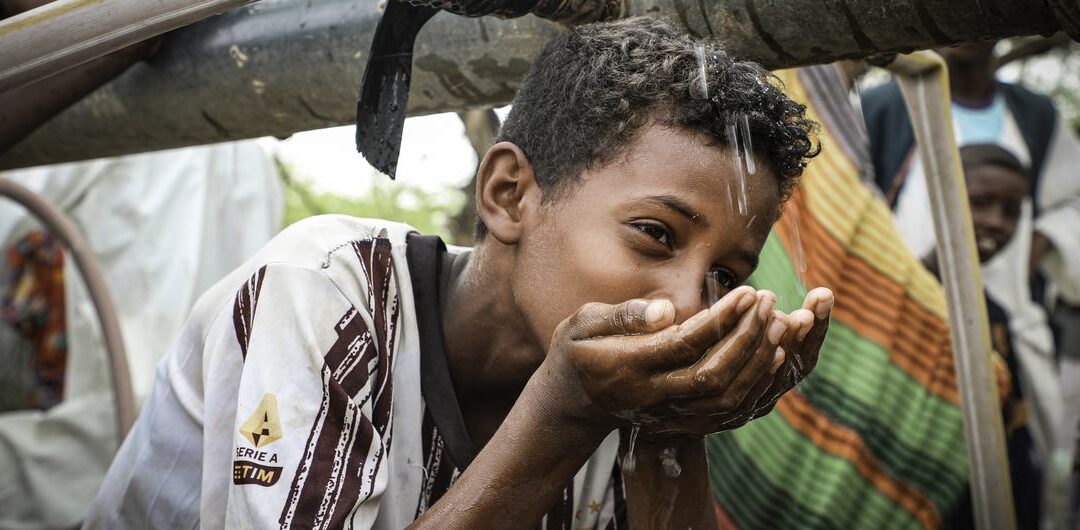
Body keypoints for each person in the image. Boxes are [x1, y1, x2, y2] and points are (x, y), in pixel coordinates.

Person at [85, 17, 834, 529]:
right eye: (654, 235)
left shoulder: (619, 394)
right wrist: (562, 417)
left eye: (725, 278)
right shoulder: (322, 294)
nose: (687, 304)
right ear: (510, 194)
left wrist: (678, 431)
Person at [861, 41, 1080, 469]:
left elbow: (1072, 203)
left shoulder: (1035, 115)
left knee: (1008, 464)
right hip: (900, 325)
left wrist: (1032, 252)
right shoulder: (882, 107)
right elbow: (852, 204)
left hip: (1011, 328)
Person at [918, 144, 1041, 529]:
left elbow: (1010, 439)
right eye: (980, 202)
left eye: (1012, 211)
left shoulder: (997, 317)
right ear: (941, 198)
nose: (996, 222)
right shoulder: (903, 294)